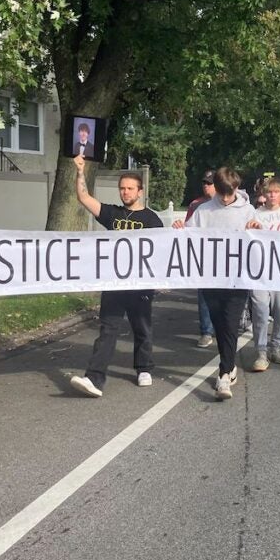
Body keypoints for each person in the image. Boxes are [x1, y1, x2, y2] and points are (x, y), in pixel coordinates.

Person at [68, 155, 163, 398]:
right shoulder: (112, 214)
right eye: (122, 188)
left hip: (141, 284)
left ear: (140, 191)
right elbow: (84, 198)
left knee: (142, 328)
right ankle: (94, 378)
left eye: (130, 188)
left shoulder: (152, 220)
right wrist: (80, 172)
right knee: (108, 330)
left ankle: (144, 367)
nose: (125, 192)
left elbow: (163, 251)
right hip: (113, 282)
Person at [174, 167, 259, 399]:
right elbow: (189, 235)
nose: (223, 198)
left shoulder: (248, 210)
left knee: (230, 323)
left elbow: (262, 238)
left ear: (236, 189)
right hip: (210, 277)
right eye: (220, 192)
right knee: (220, 324)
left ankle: (223, 374)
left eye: (228, 193)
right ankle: (230, 366)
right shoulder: (203, 210)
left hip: (237, 278)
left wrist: (257, 228)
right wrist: (181, 229)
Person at [249, 179, 280, 372]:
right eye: (270, 192)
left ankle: (275, 347)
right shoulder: (256, 215)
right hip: (259, 272)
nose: (273, 195)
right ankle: (261, 352)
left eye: (276, 192)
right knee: (260, 310)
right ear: (264, 194)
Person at [186, 170, 217, 348]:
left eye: (210, 183)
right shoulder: (195, 205)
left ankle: (222, 327)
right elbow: (188, 229)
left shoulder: (225, 204)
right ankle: (206, 331)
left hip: (223, 258)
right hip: (204, 257)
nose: (206, 186)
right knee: (204, 295)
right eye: (204, 183)